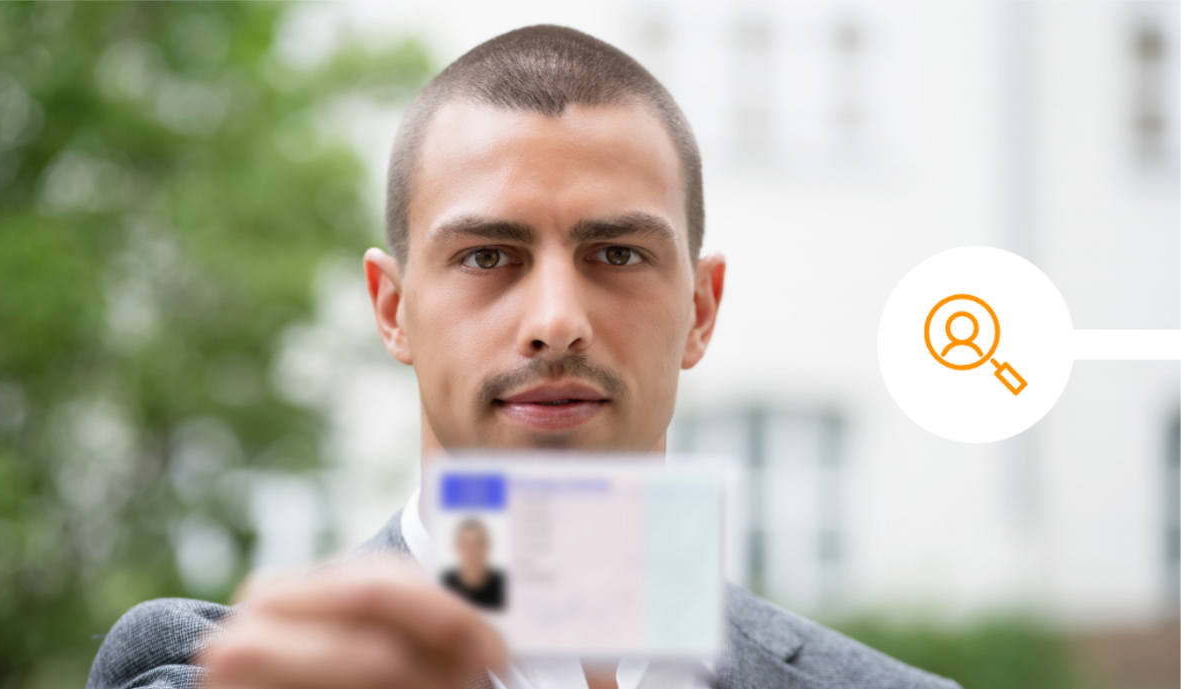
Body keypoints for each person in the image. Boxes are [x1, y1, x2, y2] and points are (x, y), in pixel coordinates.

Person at [87, 25, 961, 689]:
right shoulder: (217, 671)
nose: (555, 321)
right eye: (486, 255)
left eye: (616, 253)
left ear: (700, 310)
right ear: (393, 309)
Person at [442, 519, 505, 610]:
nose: (472, 551)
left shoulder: (502, 584)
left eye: (478, 544)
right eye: (466, 544)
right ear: (457, 547)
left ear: (487, 546)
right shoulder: (446, 584)